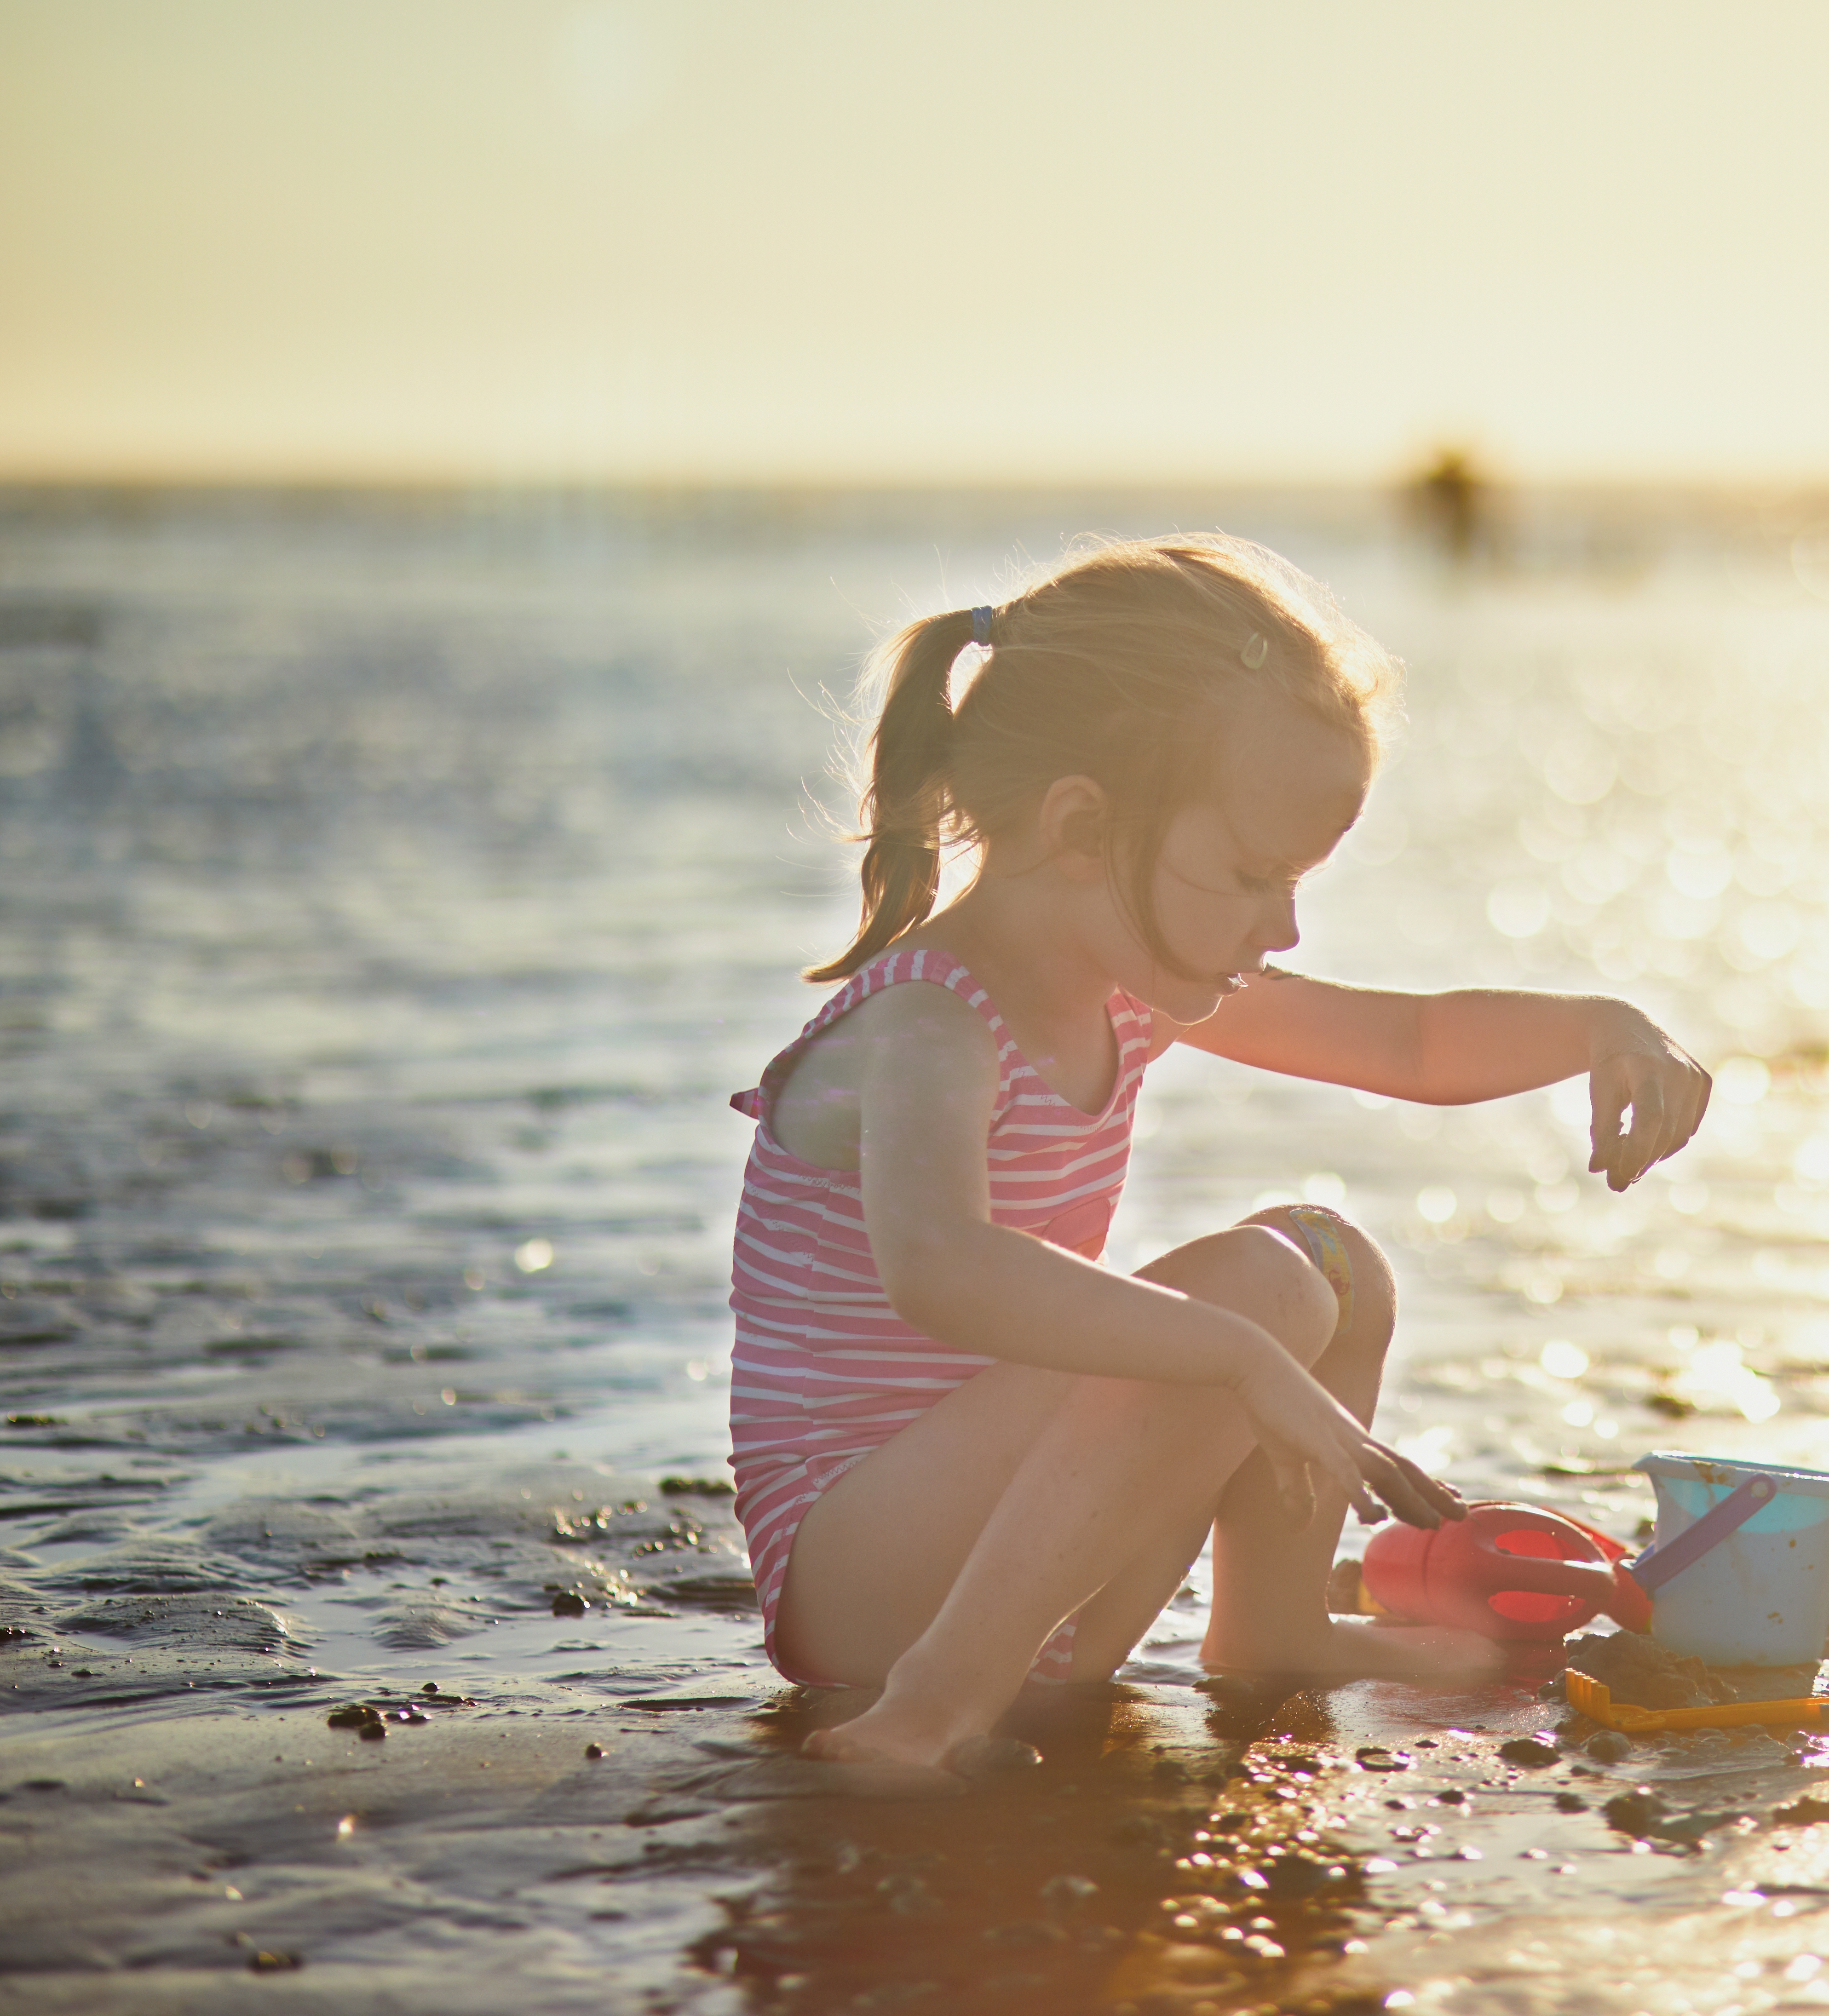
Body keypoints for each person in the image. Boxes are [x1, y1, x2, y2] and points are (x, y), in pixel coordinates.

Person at [724, 534, 1713, 1773]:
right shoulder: (932, 1020)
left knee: (1329, 1260)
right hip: (862, 1577)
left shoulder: (1132, 983)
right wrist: (1238, 1353)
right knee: (1252, 1294)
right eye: (1252, 874)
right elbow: (940, 1267)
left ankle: (1273, 1628)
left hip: (1029, 1563)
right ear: (1081, 827)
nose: (1285, 921)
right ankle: (929, 1709)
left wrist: (1600, 1030)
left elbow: (1406, 1040)